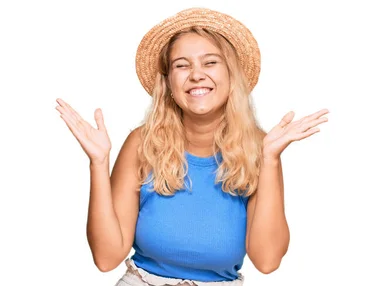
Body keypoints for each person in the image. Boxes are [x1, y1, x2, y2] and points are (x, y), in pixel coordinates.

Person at [55, 7, 328, 286]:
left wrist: (269, 160)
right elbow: (106, 258)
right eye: (182, 65)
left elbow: (267, 261)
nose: (196, 75)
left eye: (210, 63)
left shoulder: (260, 148)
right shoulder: (142, 143)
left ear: (231, 75)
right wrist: (98, 164)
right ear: (169, 83)